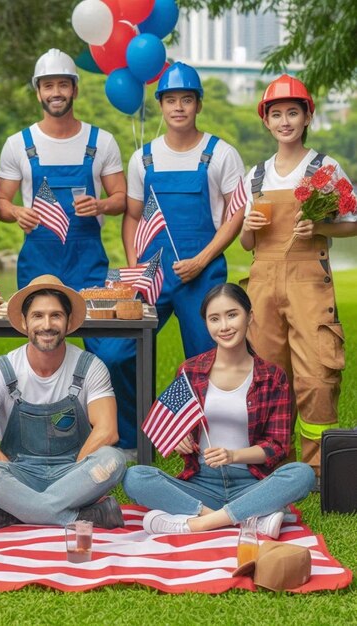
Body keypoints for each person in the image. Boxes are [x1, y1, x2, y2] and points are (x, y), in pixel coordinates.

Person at [0, 48, 131, 448]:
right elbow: (2, 203)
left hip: (88, 262)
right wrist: (16, 212)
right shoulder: (18, 144)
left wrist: (101, 205)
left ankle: (123, 442)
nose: (55, 92)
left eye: (62, 84)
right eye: (48, 85)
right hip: (38, 261)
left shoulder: (100, 141)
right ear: (38, 92)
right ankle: (45, 440)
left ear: (75, 88)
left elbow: (122, 197)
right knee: (43, 354)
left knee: (115, 352)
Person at [113, 62, 246, 453]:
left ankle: (215, 444)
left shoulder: (220, 153)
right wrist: (137, 265)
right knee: (117, 350)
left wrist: (202, 260)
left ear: (198, 105)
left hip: (203, 277)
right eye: (171, 100)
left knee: (212, 360)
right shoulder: (144, 158)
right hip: (153, 275)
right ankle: (133, 438)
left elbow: (235, 215)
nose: (178, 107)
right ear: (161, 106)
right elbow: (133, 215)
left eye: (186, 99)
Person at [123, 283, 315, 538]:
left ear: (250, 316)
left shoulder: (272, 376)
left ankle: (200, 523)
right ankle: (243, 518)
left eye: (232, 315)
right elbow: (171, 422)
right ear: (207, 324)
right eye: (215, 319)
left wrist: (232, 456)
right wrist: (181, 438)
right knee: (135, 477)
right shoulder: (190, 371)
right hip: (200, 483)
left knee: (302, 474)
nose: (224, 326)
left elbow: (277, 446)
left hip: (252, 483)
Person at [240, 75, 357, 476]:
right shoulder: (255, 175)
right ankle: (275, 464)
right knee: (269, 376)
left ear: (307, 117)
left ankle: (319, 470)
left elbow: (352, 223)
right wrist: (248, 225)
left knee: (317, 375)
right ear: (267, 122)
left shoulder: (325, 168)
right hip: (262, 285)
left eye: (293, 112)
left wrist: (321, 227)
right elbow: (245, 244)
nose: (285, 120)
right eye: (277, 114)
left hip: (309, 283)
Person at [0, 275, 127, 531]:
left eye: (56, 316)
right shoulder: (0, 370)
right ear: (23, 321)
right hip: (20, 473)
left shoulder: (90, 367)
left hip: (74, 474)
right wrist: (17, 482)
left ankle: (16, 513)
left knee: (112, 458)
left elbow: (108, 431)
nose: (47, 325)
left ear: (69, 321)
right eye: (38, 316)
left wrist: (71, 480)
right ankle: (77, 517)